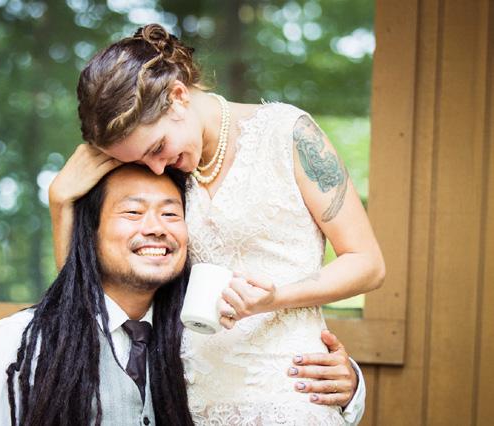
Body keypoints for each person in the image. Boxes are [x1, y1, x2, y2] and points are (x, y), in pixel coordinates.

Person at [49, 24, 384, 425]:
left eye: (158, 148)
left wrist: (276, 298)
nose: (156, 167)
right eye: (141, 160)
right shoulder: (161, 169)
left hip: (290, 391)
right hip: (183, 400)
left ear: (178, 96)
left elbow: (367, 263)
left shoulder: (289, 135)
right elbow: (92, 295)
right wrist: (60, 202)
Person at [0, 165, 365, 426]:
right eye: (132, 212)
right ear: (89, 233)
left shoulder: (199, 342)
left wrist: (348, 386)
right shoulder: (17, 343)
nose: (155, 228)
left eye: (170, 213)